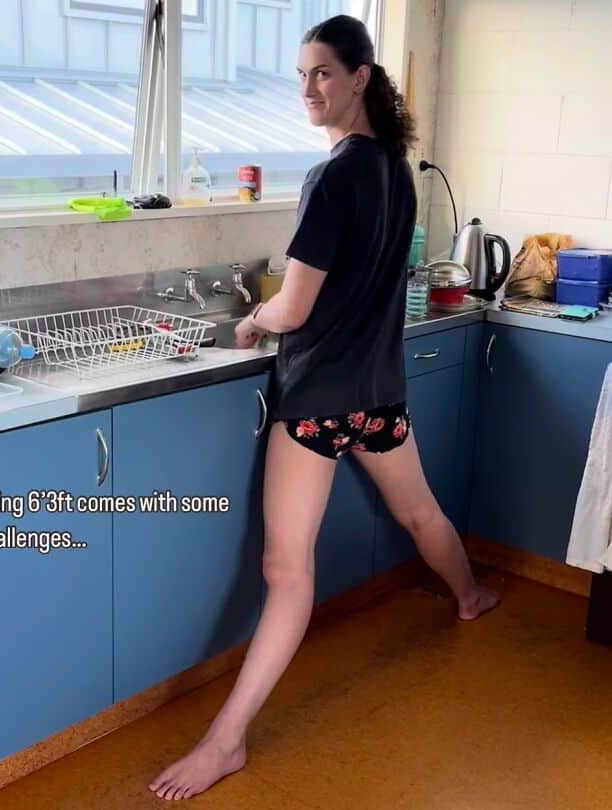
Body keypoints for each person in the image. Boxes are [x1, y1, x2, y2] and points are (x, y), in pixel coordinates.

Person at [148, 14, 500, 801]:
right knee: (421, 513)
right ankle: (471, 596)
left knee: (286, 571)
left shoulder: (334, 176)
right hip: (378, 395)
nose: (308, 88)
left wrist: (252, 320)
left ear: (359, 77)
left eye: (322, 73)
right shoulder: (396, 172)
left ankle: (225, 742)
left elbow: (296, 306)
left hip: (317, 402)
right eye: (301, 75)